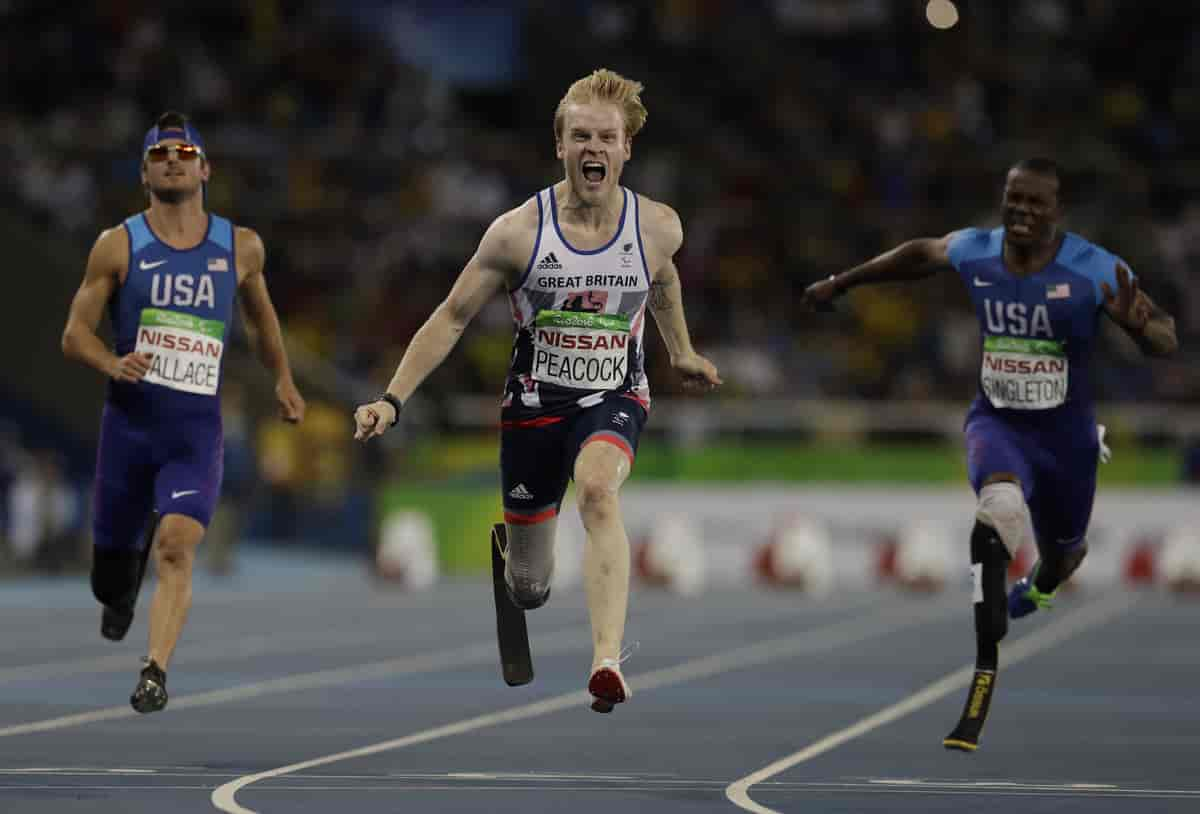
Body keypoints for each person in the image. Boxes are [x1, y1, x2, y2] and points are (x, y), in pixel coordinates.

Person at [353, 69, 721, 712]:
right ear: (560, 145)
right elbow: (451, 317)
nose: (593, 149)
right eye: (580, 136)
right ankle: (516, 573)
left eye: (606, 137)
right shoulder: (516, 233)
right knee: (530, 586)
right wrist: (392, 398)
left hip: (614, 396)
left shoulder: (658, 225)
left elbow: (662, 281)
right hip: (532, 409)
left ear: (626, 147)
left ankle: (606, 659)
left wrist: (680, 350)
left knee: (599, 493)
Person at [802, 157, 1178, 750]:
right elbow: (917, 256)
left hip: (1068, 443)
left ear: (1057, 212)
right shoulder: (977, 249)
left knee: (1064, 556)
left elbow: (1165, 335)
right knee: (996, 514)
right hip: (997, 426)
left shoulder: (1094, 268)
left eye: (1037, 204)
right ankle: (984, 666)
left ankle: (1039, 588)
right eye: (1014, 200)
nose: (1023, 212)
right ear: (1003, 201)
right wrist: (842, 282)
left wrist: (1142, 330)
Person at [62, 112, 306, 713]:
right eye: (161, 153)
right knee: (108, 578)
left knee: (176, 545)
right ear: (145, 172)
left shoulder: (239, 246)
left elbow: (259, 319)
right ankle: (119, 594)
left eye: (185, 151)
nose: (174, 159)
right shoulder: (117, 244)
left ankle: (155, 670)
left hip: (194, 435)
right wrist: (110, 363)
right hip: (127, 430)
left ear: (205, 168)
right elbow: (74, 334)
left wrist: (282, 379)